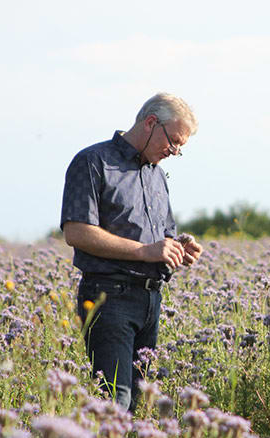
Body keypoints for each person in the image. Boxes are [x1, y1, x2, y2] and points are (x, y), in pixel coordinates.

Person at [60, 92, 203, 411]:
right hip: (108, 298)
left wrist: (180, 248)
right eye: (174, 142)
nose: (175, 152)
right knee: (115, 403)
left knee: (141, 405)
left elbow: (163, 235)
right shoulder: (94, 161)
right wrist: (145, 251)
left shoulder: (157, 175)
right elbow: (77, 231)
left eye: (180, 147)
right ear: (151, 123)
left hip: (150, 301)